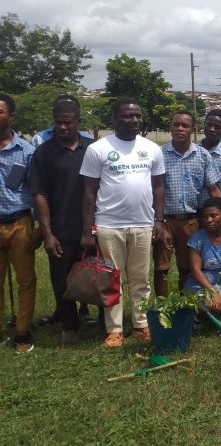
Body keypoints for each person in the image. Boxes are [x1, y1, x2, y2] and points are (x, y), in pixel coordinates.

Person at [80, 99, 166, 349]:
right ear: (114, 119)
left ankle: (141, 325)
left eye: (138, 116)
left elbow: (159, 186)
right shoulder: (98, 149)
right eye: (128, 116)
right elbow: (88, 191)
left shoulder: (151, 148)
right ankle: (114, 330)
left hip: (143, 223)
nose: (135, 121)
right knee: (112, 279)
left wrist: (159, 220)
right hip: (109, 224)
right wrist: (89, 229)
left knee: (141, 279)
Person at [29, 99, 94, 345]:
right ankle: (69, 324)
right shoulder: (44, 153)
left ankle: (95, 316)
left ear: (78, 121)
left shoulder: (92, 149)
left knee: (95, 275)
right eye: (58, 123)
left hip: (92, 226)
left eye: (68, 122)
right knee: (61, 280)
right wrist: (47, 233)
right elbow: (40, 194)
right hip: (61, 228)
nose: (63, 127)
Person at [154, 111, 221, 297]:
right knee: (162, 269)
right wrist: (158, 221)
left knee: (188, 268)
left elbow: (214, 189)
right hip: (165, 221)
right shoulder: (159, 154)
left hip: (191, 222)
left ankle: (185, 309)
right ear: (170, 127)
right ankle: (163, 310)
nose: (179, 129)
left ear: (193, 130)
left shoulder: (202, 155)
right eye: (176, 125)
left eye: (185, 126)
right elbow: (152, 189)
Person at [0, 93, 40, 353]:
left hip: (20, 223)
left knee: (25, 280)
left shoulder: (27, 151)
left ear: (11, 115)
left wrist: (39, 229)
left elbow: (37, 191)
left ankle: (22, 331)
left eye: (0, 111)